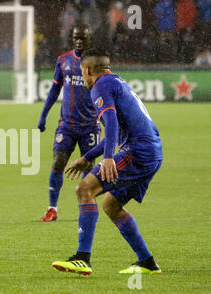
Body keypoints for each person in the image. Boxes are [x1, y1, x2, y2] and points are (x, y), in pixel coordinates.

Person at [51, 48, 163, 276]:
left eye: (82, 71)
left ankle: (83, 258)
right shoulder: (116, 82)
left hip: (138, 151)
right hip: (152, 152)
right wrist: (87, 157)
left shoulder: (100, 86)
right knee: (111, 205)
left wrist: (109, 158)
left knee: (84, 189)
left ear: (88, 69)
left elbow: (110, 124)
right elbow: (117, 128)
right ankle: (147, 262)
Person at [38, 25, 100, 222]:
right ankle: (52, 208)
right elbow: (54, 91)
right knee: (58, 162)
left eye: (83, 38)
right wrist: (43, 115)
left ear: (89, 39)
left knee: (89, 166)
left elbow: (106, 91)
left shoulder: (98, 62)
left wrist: (107, 116)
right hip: (67, 125)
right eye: (76, 38)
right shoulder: (63, 60)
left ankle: (85, 207)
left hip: (90, 125)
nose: (79, 41)